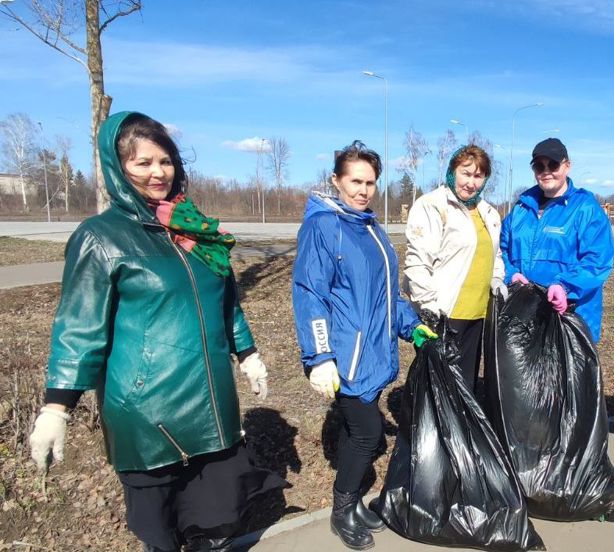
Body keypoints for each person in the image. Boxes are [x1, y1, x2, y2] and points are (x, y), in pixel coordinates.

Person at [27, 111, 283, 552]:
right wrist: (57, 407)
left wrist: (248, 353)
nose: (158, 173)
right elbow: (79, 326)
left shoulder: (194, 229)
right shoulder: (101, 236)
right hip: (148, 412)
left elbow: (226, 301)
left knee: (216, 527)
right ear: (117, 166)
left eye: (165, 161)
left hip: (211, 407)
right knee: (160, 536)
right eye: (142, 162)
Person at [292, 141, 435, 550]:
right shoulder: (323, 226)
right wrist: (320, 357)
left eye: (370, 182)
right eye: (355, 180)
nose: (363, 189)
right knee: (366, 433)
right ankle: (341, 511)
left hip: (374, 352)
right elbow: (309, 294)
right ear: (336, 180)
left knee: (364, 433)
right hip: (346, 355)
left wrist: (412, 328)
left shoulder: (371, 227)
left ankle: (352, 504)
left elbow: (388, 297)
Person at [403, 144, 505, 391]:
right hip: (445, 313)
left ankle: (460, 430)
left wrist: (497, 279)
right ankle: (433, 430)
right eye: (465, 173)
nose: (471, 183)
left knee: (465, 385)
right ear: (452, 172)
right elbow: (418, 260)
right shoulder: (433, 205)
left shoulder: (488, 212)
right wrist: (428, 307)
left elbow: (495, 254)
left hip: (478, 314)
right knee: (439, 385)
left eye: (478, 176)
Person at [500, 137, 614, 343]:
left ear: (567, 166)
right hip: (524, 315)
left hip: (570, 315)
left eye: (553, 164)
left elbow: (597, 262)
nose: (546, 171)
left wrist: (565, 286)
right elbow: (501, 250)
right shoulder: (520, 209)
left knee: (565, 375)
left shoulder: (586, 209)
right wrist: (511, 274)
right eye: (539, 166)